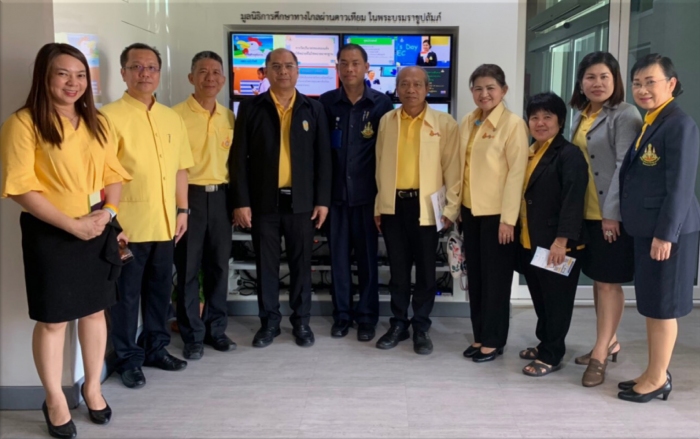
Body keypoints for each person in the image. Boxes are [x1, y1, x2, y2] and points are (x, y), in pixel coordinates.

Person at [0, 43, 131, 438]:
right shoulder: (23, 124)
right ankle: (55, 398)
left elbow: (114, 175)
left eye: (80, 75)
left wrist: (108, 214)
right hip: (50, 232)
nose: (73, 83)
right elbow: (21, 188)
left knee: (95, 312)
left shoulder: (97, 122)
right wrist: (72, 226)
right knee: (54, 319)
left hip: (97, 226)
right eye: (63, 74)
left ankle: (92, 388)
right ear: (44, 76)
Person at [102, 43, 194, 389]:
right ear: (123, 73)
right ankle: (127, 359)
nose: (145, 73)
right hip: (127, 226)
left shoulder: (171, 117)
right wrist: (111, 222)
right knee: (125, 297)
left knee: (159, 292)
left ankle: (156, 348)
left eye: (152, 67)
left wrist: (182, 210)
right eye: (137, 67)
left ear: (159, 73)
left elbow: (181, 169)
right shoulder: (108, 117)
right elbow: (102, 175)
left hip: (165, 223)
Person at [230, 48, 331, 348]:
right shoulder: (251, 107)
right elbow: (238, 158)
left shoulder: (313, 109)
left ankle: (301, 322)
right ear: (266, 71)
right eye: (276, 66)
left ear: (297, 71)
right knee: (266, 266)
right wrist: (241, 201)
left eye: (289, 66)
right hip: (264, 203)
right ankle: (269, 323)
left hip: (302, 203)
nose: (283, 71)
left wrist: (322, 200)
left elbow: (323, 159)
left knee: (302, 265)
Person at [617, 54, 700, 403]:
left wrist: (666, 234)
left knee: (664, 306)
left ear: (671, 84)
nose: (642, 89)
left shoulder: (679, 124)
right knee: (652, 304)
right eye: (637, 83)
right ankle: (655, 371)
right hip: (648, 229)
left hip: (668, 232)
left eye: (650, 82)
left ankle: (658, 379)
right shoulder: (653, 121)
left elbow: (680, 185)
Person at [568, 51, 643, 387]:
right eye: (590, 77)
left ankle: (600, 354)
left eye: (604, 77)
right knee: (599, 280)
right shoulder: (582, 114)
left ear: (615, 81)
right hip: (585, 213)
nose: (597, 83)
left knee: (609, 283)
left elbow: (625, 167)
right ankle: (608, 341)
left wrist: (612, 215)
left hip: (609, 216)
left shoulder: (625, 115)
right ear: (581, 82)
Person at [374, 66, 460, 355]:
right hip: (393, 205)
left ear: (427, 89)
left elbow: (453, 169)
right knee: (397, 270)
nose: (410, 89)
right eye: (404, 84)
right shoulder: (387, 121)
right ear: (397, 88)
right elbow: (379, 166)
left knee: (425, 270)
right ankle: (398, 323)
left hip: (428, 207)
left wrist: (451, 208)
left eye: (417, 84)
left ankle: (421, 326)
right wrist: (379, 205)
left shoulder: (444, 123)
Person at [319, 44, 393, 342]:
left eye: (355, 63)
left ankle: (366, 317)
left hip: (367, 197)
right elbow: (320, 152)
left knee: (368, 262)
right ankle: (341, 316)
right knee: (338, 261)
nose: (349, 69)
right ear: (337, 67)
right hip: (335, 198)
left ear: (366, 67)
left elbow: (387, 154)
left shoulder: (381, 104)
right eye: (344, 63)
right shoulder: (326, 102)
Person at [458, 64, 528, 363]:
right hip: (470, 212)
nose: (484, 94)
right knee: (476, 278)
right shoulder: (468, 121)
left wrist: (508, 220)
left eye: (490, 88)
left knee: (496, 281)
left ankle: (494, 340)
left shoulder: (513, 125)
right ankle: (480, 335)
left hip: (498, 217)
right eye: (478, 88)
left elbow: (516, 175)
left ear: (503, 90)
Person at [518, 92, 588, 377]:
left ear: (560, 121)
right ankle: (544, 342)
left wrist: (561, 241)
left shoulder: (569, 155)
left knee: (557, 302)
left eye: (547, 117)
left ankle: (552, 355)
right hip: (532, 241)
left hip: (558, 244)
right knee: (542, 298)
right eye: (534, 117)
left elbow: (573, 201)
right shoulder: (530, 152)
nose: (540, 123)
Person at [172, 51, 236, 360]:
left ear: (223, 80)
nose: (210, 78)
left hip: (222, 198)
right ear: (191, 77)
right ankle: (192, 335)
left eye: (215, 72)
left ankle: (216, 330)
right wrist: (181, 207)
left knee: (219, 267)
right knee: (187, 268)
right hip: (189, 198)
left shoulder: (229, 116)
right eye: (203, 72)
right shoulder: (175, 116)